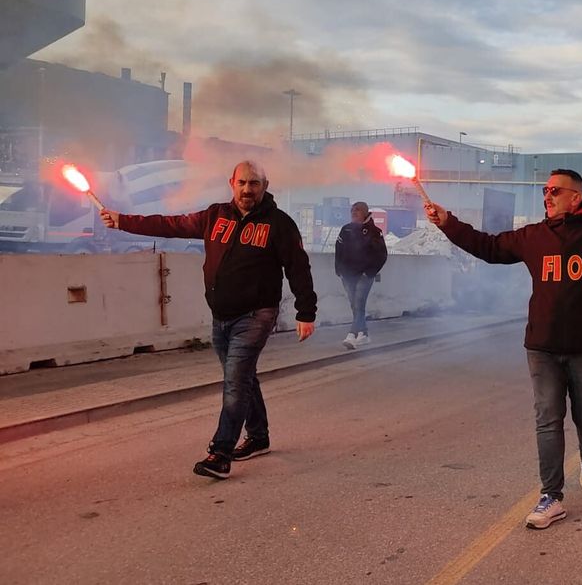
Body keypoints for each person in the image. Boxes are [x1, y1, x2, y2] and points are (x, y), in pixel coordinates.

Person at [424, 168, 582, 530]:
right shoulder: (534, 236)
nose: (547, 196)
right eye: (544, 190)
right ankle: (552, 496)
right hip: (541, 346)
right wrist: (448, 222)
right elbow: (489, 247)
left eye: (554, 190)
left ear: (575, 196)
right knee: (547, 418)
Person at [100, 160, 317, 480]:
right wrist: (122, 221)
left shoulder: (279, 224)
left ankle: (221, 453)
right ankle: (258, 437)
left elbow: (298, 268)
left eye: (254, 183)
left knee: (235, 382)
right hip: (221, 315)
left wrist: (305, 312)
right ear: (232, 183)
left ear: (265, 186)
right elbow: (169, 225)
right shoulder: (214, 215)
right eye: (242, 183)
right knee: (242, 378)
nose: (247, 189)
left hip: (257, 313)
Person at [335, 201, 388, 349]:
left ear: (366, 212)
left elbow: (382, 255)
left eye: (357, 210)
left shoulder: (374, 232)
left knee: (358, 303)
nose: (354, 212)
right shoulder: (346, 230)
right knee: (355, 305)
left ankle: (352, 335)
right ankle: (364, 334)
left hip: (365, 276)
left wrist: (369, 272)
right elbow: (338, 250)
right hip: (347, 275)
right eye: (352, 210)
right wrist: (339, 270)